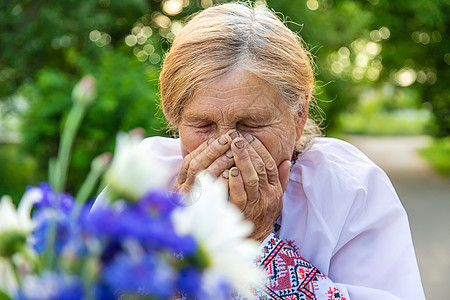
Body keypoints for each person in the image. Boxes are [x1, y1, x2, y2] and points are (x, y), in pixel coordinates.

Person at [97, 2, 425, 299]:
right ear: (175, 119)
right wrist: (177, 234)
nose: (226, 146)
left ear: (299, 115)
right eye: (203, 125)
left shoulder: (348, 186)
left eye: (251, 124)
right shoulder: (143, 178)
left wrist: (259, 239)